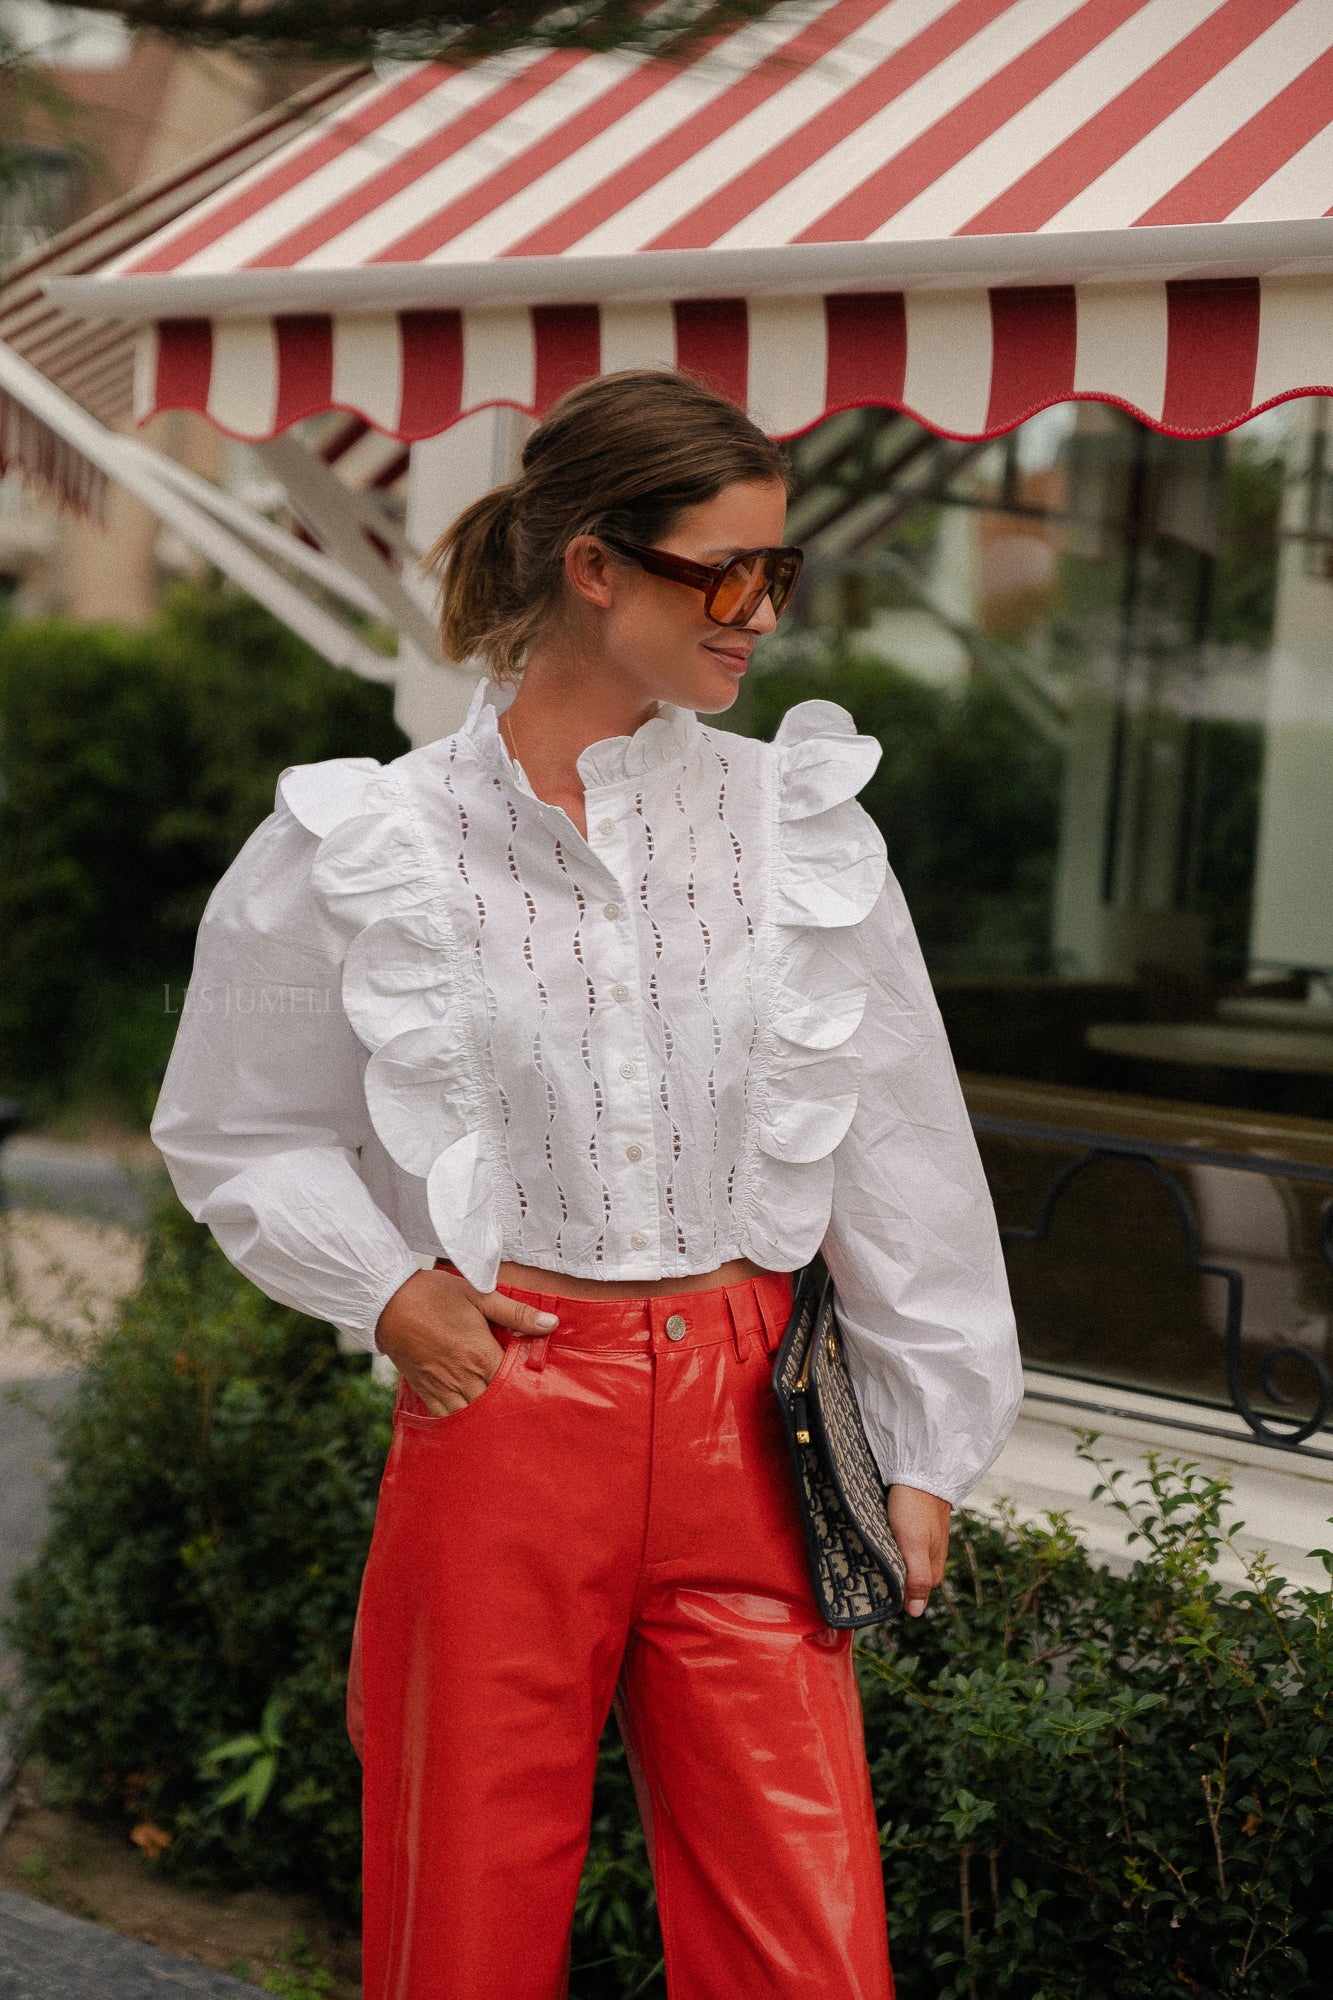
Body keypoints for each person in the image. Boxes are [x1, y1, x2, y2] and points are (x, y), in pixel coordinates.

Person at [151, 369, 1022, 2000]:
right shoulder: (364, 840)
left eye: (779, 573)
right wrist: (390, 1291)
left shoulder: (800, 826)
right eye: (724, 571)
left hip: (752, 1417)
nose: (758, 612)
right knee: (460, 1919)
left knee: (806, 1943)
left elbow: (898, 1141)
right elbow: (230, 1124)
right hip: (504, 1407)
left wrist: (925, 1433)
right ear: (594, 566)